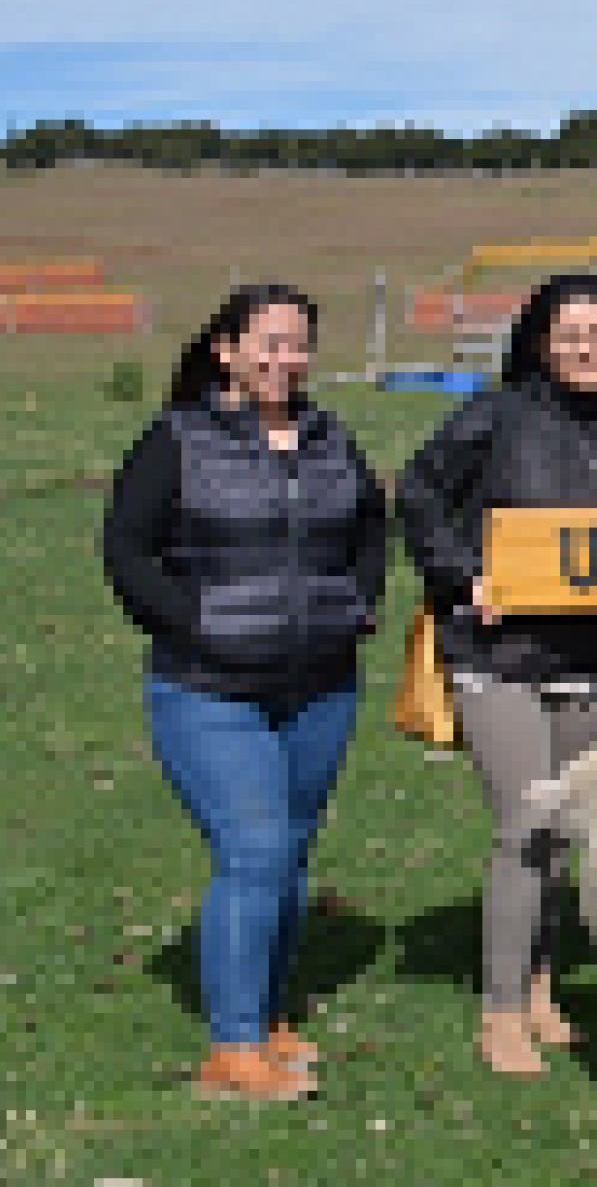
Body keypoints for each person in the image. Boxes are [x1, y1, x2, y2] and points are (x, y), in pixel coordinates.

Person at [102, 284, 388, 1100]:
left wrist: (357, 603)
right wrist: (189, 621)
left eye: (298, 344)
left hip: (321, 685)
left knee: (290, 853)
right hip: (208, 688)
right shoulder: (178, 439)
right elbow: (126, 548)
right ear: (227, 350)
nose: (285, 359)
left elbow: (371, 526)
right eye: (269, 343)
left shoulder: (331, 438)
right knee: (253, 849)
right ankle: (230, 1051)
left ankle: (265, 1018)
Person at [399, 273, 597, 1077]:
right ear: (540, 344)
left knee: (563, 830)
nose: (586, 348)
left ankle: (542, 987)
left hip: (587, 656)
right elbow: (419, 491)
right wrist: (458, 575)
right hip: (496, 654)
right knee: (524, 826)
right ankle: (500, 1012)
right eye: (569, 334)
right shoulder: (496, 415)